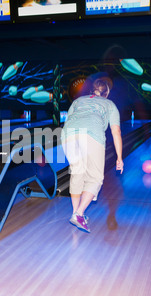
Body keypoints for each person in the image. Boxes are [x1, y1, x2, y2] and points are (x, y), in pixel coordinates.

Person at [61, 78, 123, 233]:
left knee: (77, 173)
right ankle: (79, 214)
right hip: (91, 134)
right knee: (95, 177)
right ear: (106, 93)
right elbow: (116, 132)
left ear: (91, 90)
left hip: (68, 134)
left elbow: (68, 121)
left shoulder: (78, 101)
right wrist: (119, 158)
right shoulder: (110, 104)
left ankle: (76, 213)